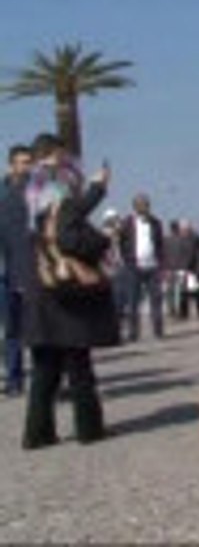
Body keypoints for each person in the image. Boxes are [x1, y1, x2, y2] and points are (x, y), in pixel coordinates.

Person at [21, 133, 117, 448]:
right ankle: (89, 429)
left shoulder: (23, 188)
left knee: (45, 367)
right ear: (56, 153)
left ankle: (37, 433)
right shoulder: (52, 183)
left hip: (40, 284)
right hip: (64, 290)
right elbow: (68, 228)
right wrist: (98, 190)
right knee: (78, 363)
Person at [1, 144, 34, 397]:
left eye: (28, 162)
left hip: (32, 269)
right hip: (6, 271)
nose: (26, 167)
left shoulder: (38, 192)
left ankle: (48, 380)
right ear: (11, 165)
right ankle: (14, 380)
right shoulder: (2, 193)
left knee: (37, 328)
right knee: (11, 328)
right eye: (21, 162)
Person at [119, 193, 165, 340]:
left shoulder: (156, 223)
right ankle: (133, 333)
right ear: (135, 207)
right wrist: (127, 259)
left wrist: (161, 264)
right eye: (141, 204)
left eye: (146, 204)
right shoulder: (127, 222)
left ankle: (158, 331)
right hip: (134, 267)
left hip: (153, 267)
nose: (145, 207)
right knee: (133, 301)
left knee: (156, 300)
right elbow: (121, 242)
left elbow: (160, 244)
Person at [175, 221, 199, 320]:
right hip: (195, 269)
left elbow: (190, 255)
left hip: (193, 269)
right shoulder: (194, 238)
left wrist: (183, 267)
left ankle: (185, 313)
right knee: (195, 292)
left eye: (182, 229)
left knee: (188, 292)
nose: (181, 231)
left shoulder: (191, 239)